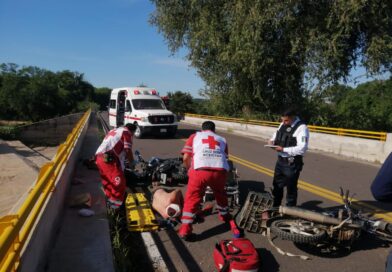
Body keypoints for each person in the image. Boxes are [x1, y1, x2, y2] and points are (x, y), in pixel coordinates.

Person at [178, 121, 239, 240]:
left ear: (202, 129)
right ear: (214, 130)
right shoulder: (222, 139)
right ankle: (225, 215)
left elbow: (186, 158)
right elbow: (225, 158)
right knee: (220, 194)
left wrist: (189, 170)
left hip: (200, 171)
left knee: (192, 199)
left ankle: (185, 230)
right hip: (220, 171)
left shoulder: (195, 136)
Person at [268, 108, 309, 207]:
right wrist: (271, 141)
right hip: (280, 161)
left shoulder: (302, 128)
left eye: (286, 120)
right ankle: (275, 208)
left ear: (293, 118)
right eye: (282, 120)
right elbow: (276, 135)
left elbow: (302, 148)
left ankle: (290, 211)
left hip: (292, 163)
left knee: (291, 189)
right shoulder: (283, 123)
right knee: (277, 186)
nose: (283, 123)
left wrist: (283, 150)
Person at [95, 123, 137, 210]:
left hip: (99, 158)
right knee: (119, 183)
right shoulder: (126, 132)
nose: (132, 136)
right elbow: (128, 149)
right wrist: (132, 163)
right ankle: (115, 208)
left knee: (109, 183)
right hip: (108, 159)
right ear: (132, 131)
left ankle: (110, 203)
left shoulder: (114, 130)